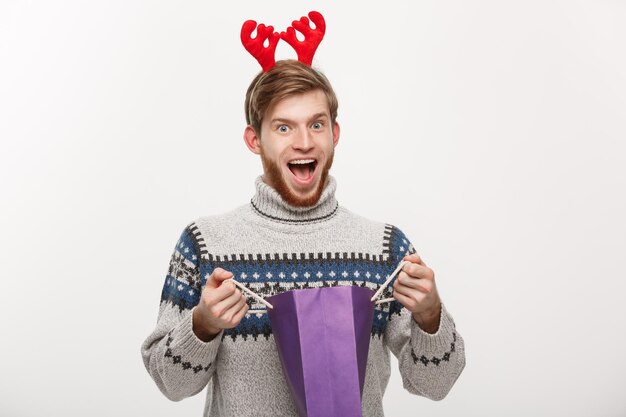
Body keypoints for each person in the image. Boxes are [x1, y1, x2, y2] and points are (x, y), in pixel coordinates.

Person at [142, 14, 465, 417]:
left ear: (335, 134)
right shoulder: (205, 245)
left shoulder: (385, 248)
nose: (304, 142)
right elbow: (170, 385)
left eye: (316, 124)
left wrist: (431, 316)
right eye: (283, 128)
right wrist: (203, 325)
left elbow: (435, 386)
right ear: (254, 140)